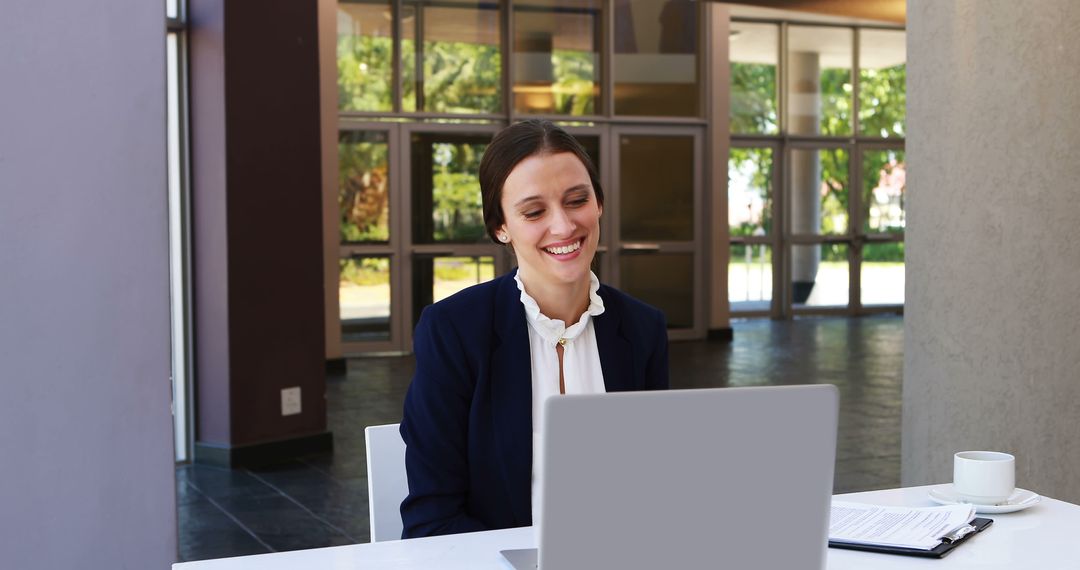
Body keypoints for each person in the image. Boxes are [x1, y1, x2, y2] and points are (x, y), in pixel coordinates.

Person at [398, 119, 669, 539]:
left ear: (599, 204)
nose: (563, 227)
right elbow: (432, 522)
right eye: (534, 211)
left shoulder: (642, 329)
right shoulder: (453, 331)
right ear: (500, 227)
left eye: (577, 200)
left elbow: (656, 490)